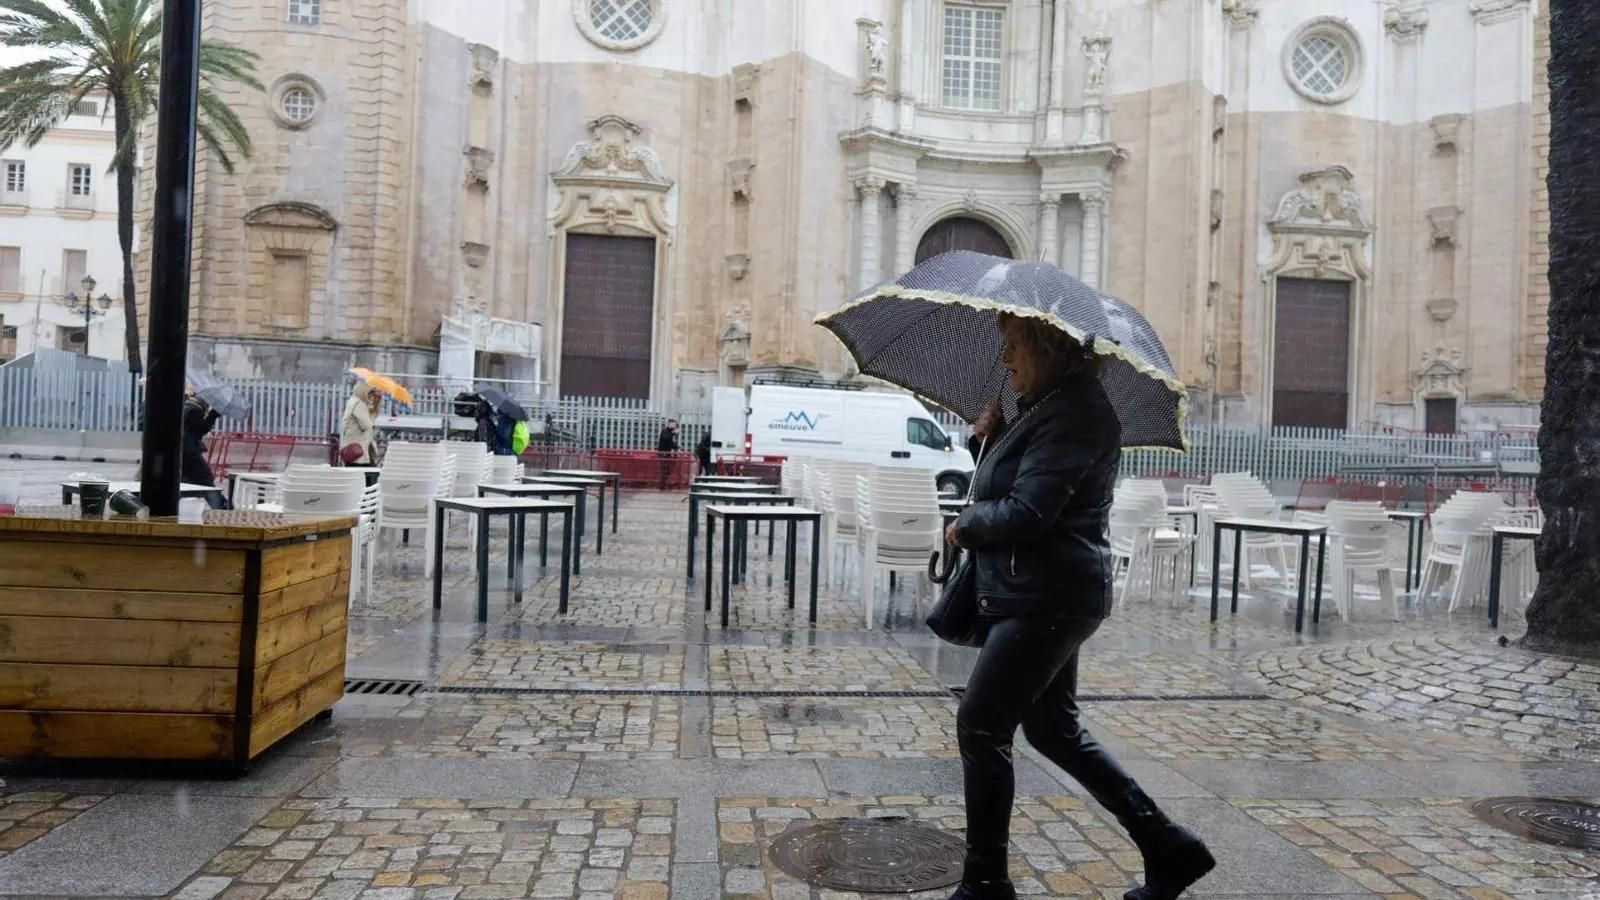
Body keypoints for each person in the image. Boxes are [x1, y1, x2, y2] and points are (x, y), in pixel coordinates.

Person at [942, 312, 1212, 900]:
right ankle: (1170, 848)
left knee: (982, 725)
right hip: (1044, 592)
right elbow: (1010, 485)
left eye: (1013, 346)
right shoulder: (1051, 406)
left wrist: (966, 526)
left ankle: (986, 882)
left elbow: (1027, 513)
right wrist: (981, 443)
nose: (1005, 359)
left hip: (1047, 597)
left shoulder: (1076, 412)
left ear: (1046, 346)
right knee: (1053, 731)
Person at [181, 391, 230, 509]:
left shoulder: (187, 406)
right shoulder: (193, 410)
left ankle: (222, 507)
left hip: (184, 453)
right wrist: (214, 414)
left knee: (189, 482)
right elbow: (201, 428)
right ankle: (222, 509)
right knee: (205, 481)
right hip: (189, 453)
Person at [340, 382, 380, 466]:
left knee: (362, 474)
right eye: (370, 393)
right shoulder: (359, 404)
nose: (371, 397)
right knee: (369, 475)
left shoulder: (353, 401)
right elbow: (367, 425)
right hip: (359, 450)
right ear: (364, 392)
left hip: (356, 446)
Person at [656, 418, 680, 490]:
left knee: (668, 470)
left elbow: (670, 443)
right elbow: (666, 438)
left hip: (667, 454)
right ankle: (662, 486)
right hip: (663, 454)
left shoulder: (670, 432)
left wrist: (677, 447)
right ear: (670, 424)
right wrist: (673, 433)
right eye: (674, 424)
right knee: (664, 470)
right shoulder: (665, 431)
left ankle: (664, 484)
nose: (675, 426)